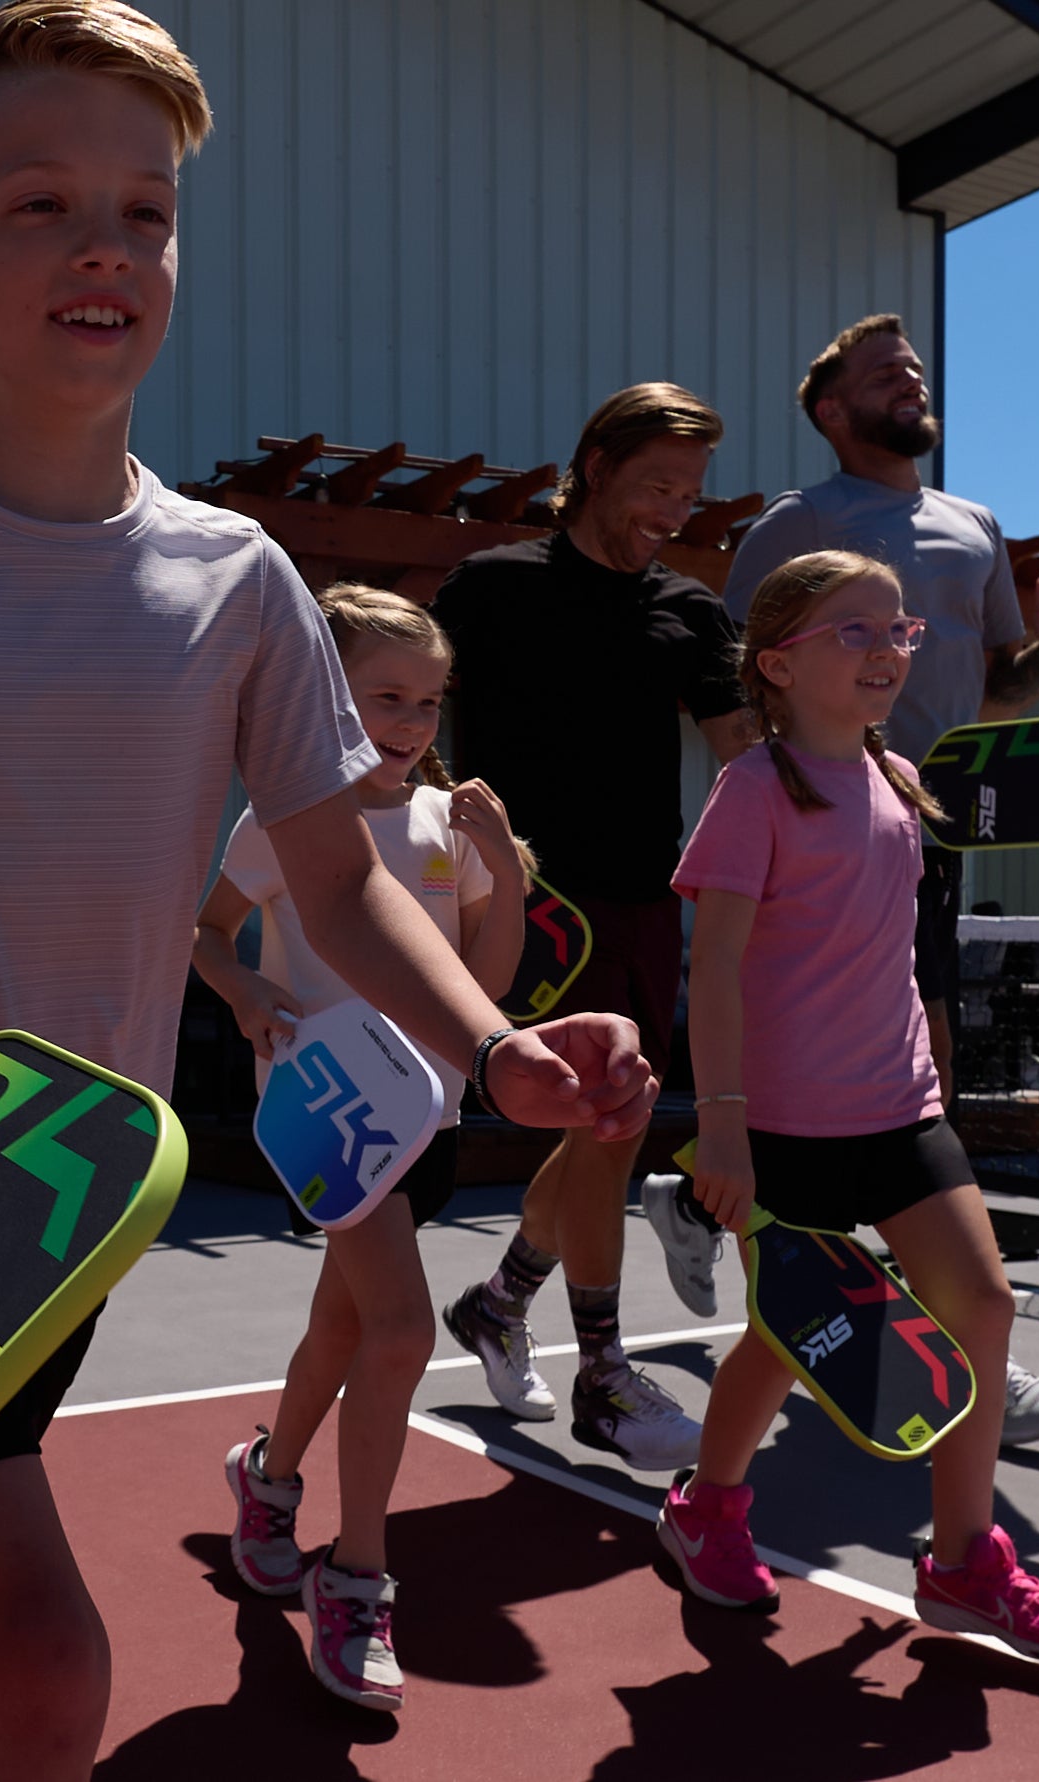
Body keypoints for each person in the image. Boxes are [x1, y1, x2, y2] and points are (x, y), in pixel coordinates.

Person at [0, 9, 654, 1778]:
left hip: (76, 1196)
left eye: (147, 209)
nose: (106, 243)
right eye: (38, 204)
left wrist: (491, 1046)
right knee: (42, 1655)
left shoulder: (242, 583)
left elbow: (338, 883)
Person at [661, 549, 1039, 1662]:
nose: (886, 650)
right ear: (779, 662)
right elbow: (712, 965)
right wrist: (719, 1124)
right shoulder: (755, 791)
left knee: (984, 1307)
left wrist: (935, 1074)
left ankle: (964, 1565)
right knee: (787, 1341)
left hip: (903, 1115)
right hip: (780, 1127)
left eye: (899, 631)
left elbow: (897, 958)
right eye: (855, 632)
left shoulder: (904, 783)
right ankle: (706, 1509)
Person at [674, 315, 1039, 1446]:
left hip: (922, 821)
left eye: (913, 369)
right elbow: (737, 659)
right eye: (882, 373)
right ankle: (736, 1200)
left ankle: (950, 1329)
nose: (909, 382)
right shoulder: (801, 522)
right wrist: (771, 793)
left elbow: (1000, 689)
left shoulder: (976, 525)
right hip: (815, 825)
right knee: (802, 1060)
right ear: (831, 409)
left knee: (928, 1052)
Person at [194, 584, 535, 1712]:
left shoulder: (446, 827)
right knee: (397, 1329)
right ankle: (358, 1577)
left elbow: (481, 992)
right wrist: (244, 989)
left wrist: (512, 882)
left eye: (429, 701)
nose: (413, 721)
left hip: (427, 1111)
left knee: (343, 1327)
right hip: (325, 1109)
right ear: (322, 700)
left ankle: (268, 1478)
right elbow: (206, 933)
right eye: (385, 696)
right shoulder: (285, 819)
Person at [429, 383, 754, 1471]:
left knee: (599, 1132)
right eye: (658, 483)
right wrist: (447, 849)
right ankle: (605, 1373)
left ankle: (498, 1302)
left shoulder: (692, 610)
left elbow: (747, 757)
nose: (674, 507)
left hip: (646, 900)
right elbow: (405, 708)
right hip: (530, 909)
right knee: (608, 1129)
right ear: (598, 464)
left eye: (690, 491)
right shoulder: (491, 585)